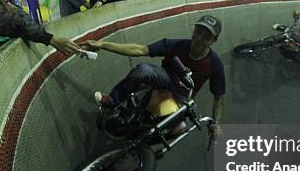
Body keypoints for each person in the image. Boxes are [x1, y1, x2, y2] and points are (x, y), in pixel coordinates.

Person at [83, 15, 225, 137]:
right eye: (198, 32)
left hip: (183, 95)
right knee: (144, 70)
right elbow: (139, 50)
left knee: (180, 128)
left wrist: (216, 124)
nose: (199, 38)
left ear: (213, 40)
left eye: (206, 36)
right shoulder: (177, 45)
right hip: (165, 79)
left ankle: (137, 146)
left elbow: (218, 99)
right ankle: (113, 101)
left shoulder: (215, 63)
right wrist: (102, 45)